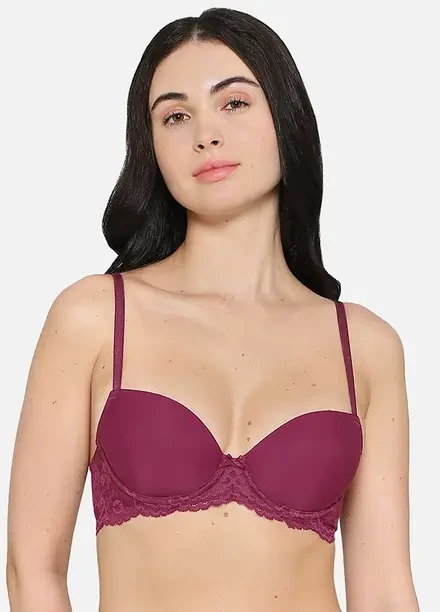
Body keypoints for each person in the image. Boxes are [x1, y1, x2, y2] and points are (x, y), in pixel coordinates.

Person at [6, 7, 419, 612]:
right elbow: (32, 570)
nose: (205, 135)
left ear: (286, 118)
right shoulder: (94, 317)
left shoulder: (366, 345)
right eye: (175, 116)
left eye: (234, 103)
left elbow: (383, 592)